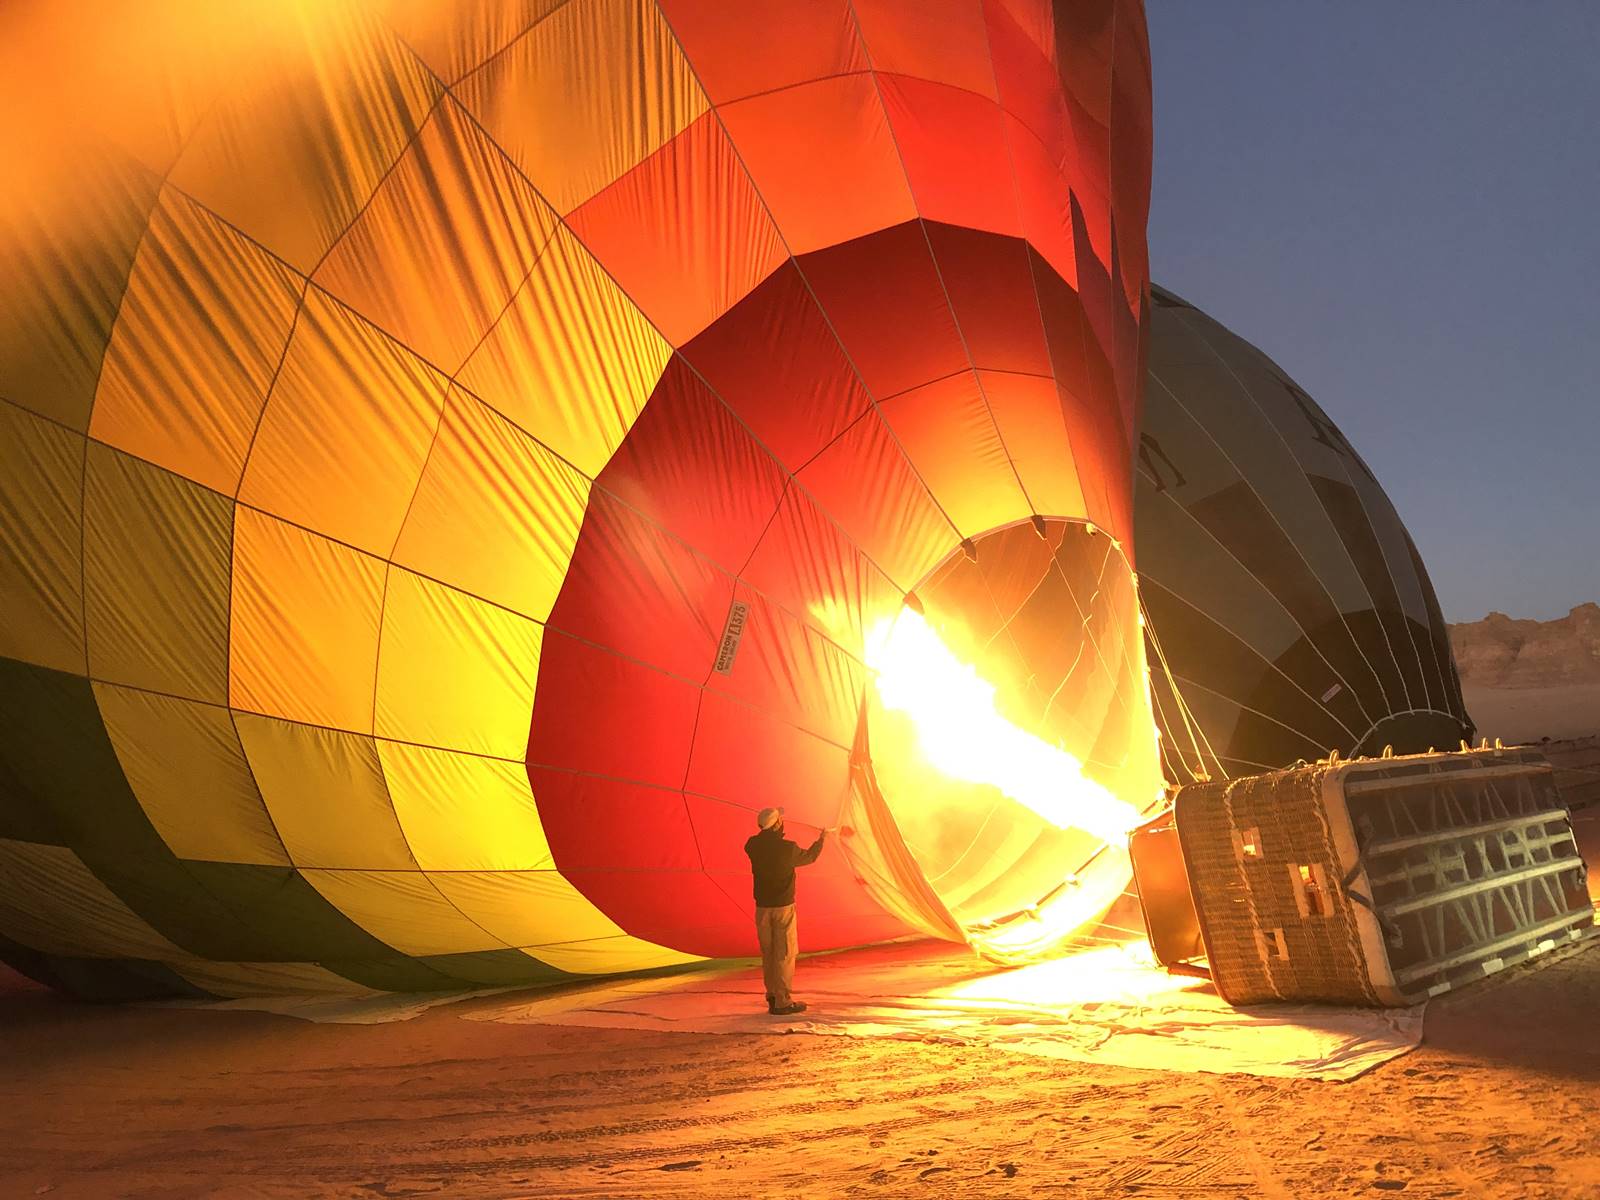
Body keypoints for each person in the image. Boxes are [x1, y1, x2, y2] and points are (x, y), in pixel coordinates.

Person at [744, 807, 826, 1015]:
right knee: (784, 954)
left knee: (768, 953)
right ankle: (783, 1001)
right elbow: (810, 857)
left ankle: (772, 996)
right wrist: (821, 839)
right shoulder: (787, 848)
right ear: (778, 824)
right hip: (783, 908)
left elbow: (760, 843)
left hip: (762, 908)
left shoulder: (752, 845)